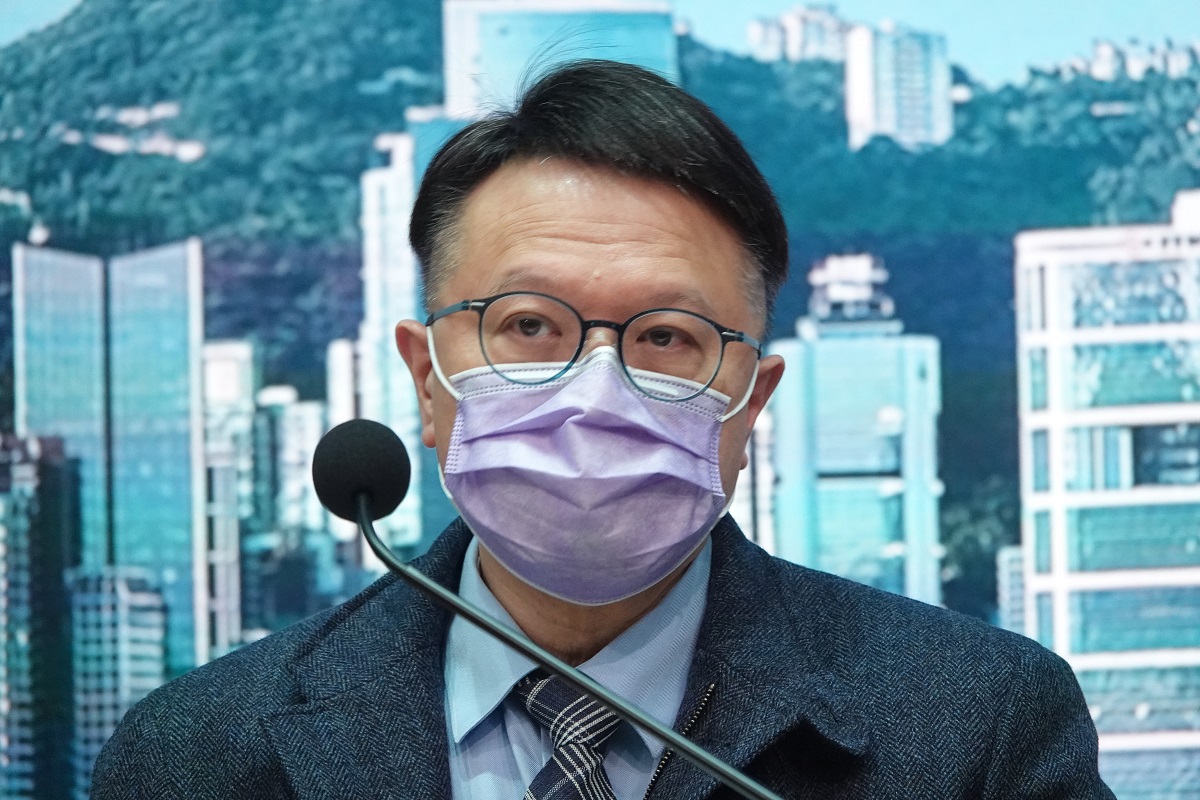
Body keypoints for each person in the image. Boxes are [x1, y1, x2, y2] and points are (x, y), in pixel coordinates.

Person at [93, 60, 1114, 800]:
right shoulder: (198, 755)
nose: (594, 392)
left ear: (751, 404)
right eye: (529, 326)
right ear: (428, 379)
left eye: (666, 336)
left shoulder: (979, 730)